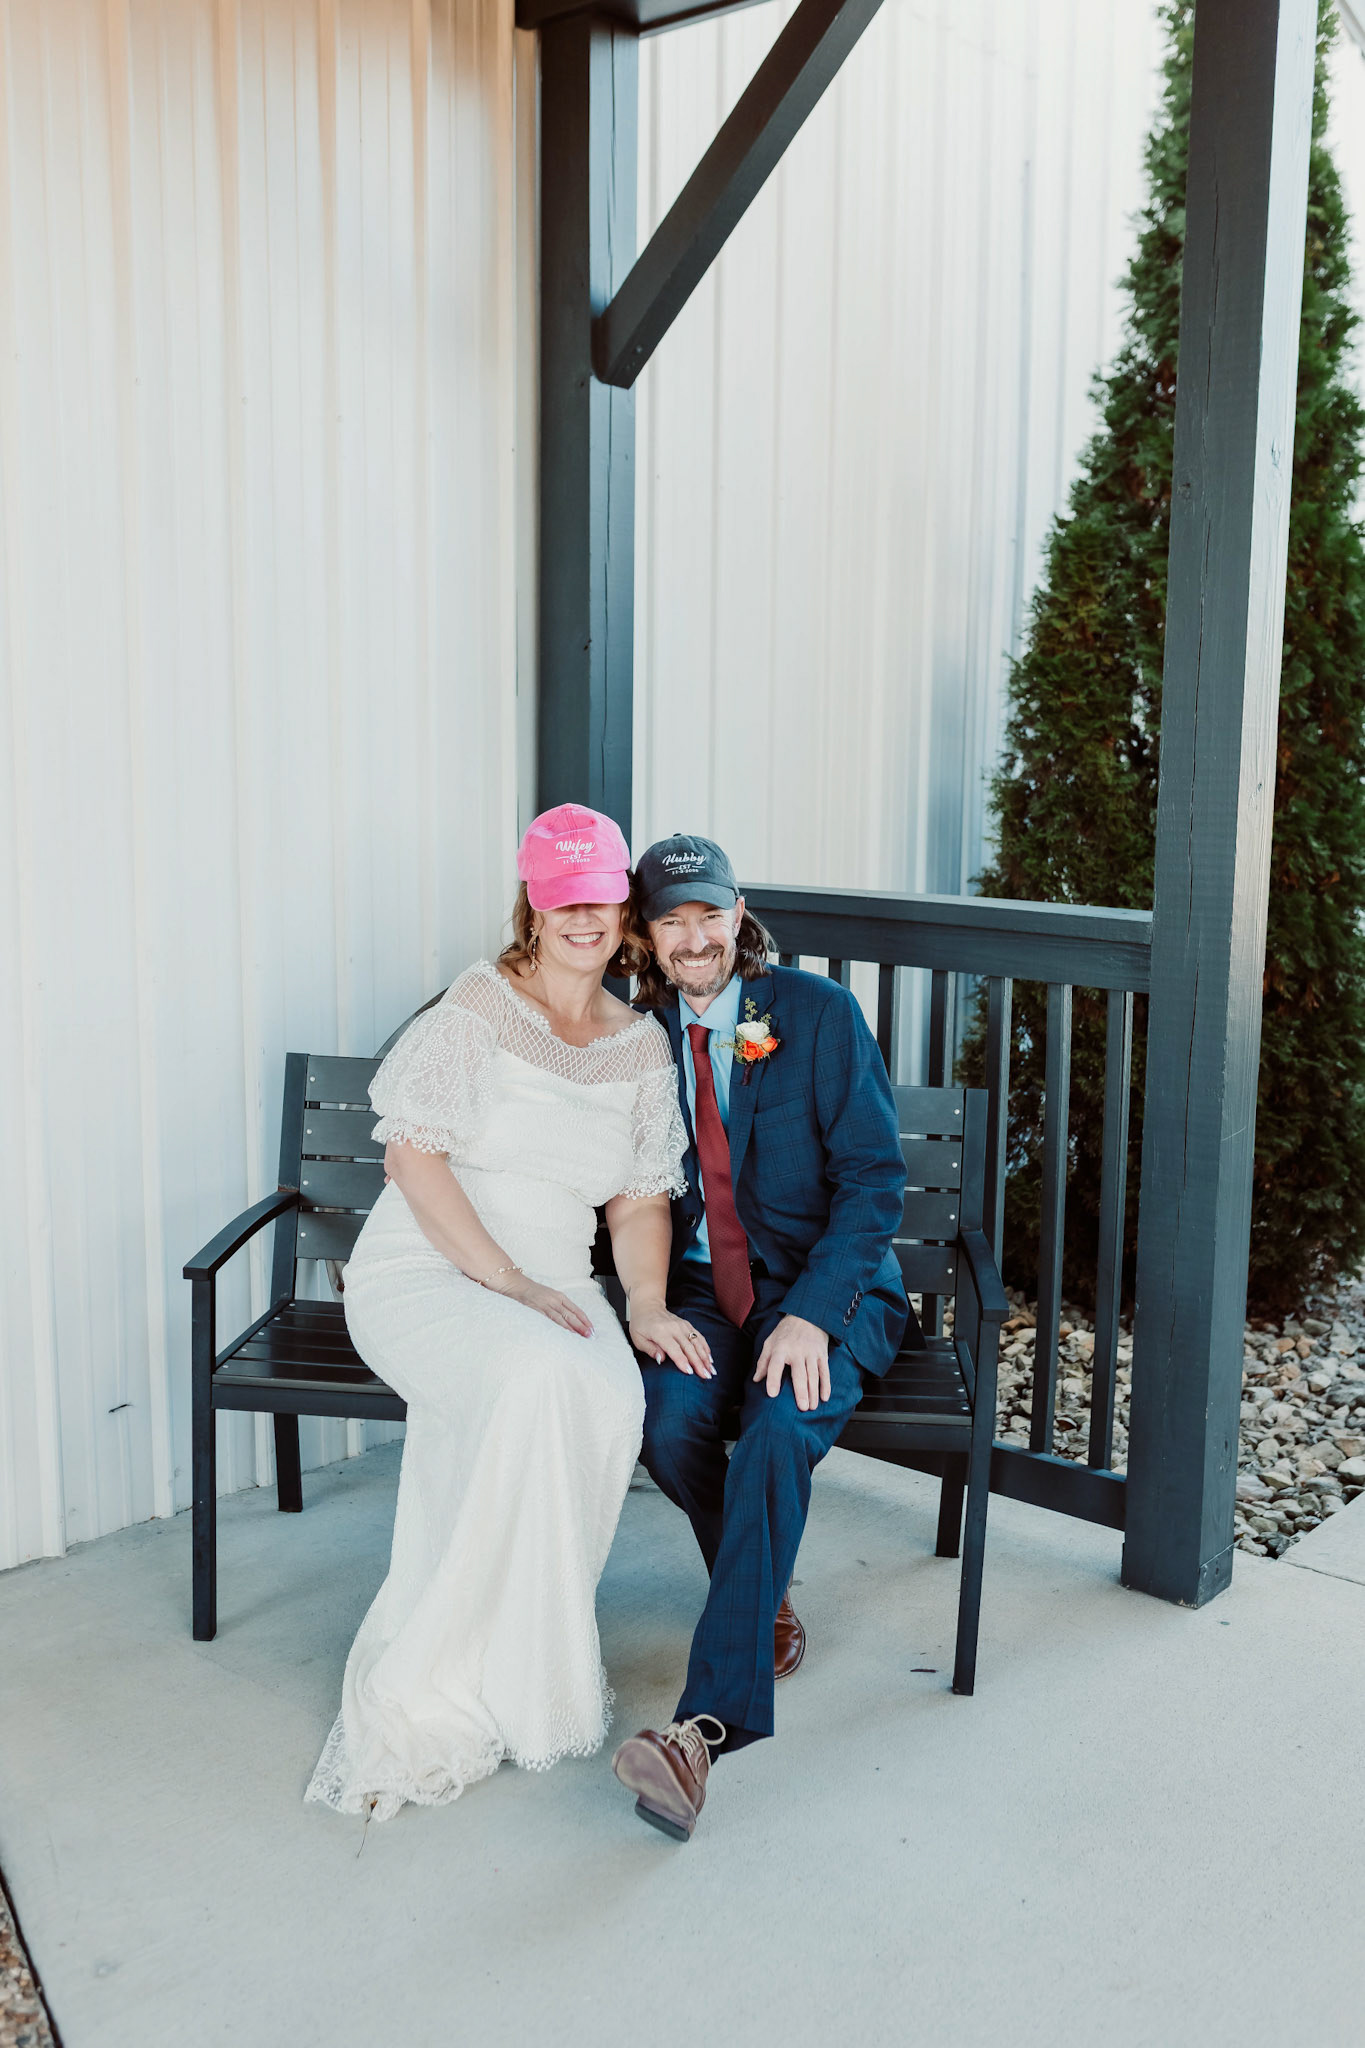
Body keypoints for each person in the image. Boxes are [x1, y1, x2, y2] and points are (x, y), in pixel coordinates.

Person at [306, 804, 704, 1824]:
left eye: (599, 897)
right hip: (431, 1267)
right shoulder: (480, 1005)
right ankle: (447, 1674)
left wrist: (645, 1304)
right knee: (533, 1379)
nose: (582, 916)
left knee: (606, 1396)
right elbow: (413, 1158)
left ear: (623, 909)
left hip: (557, 1282)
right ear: (533, 903)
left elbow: (639, 1201)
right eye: (562, 897)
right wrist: (507, 1281)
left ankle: (527, 1663)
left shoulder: (640, 1046)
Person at [610, 834, 914, 1842]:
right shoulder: (638, 1036)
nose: (694, 937)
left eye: (710, 913)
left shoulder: (817, 1015)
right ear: (646, 934)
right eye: (672, 919)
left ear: (737, 915)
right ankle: (762, 1595)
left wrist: (815, 1313)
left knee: (779, 1429)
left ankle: (701, 1729)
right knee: (668, 1424)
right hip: (702, 1292)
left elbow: (873, 1181)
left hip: (829, 1286)